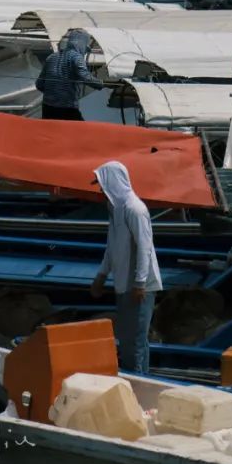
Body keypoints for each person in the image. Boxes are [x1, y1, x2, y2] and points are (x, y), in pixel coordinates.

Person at [91, 159, 162, 373]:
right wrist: (101, 276)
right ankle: (140, 377)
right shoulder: (115, 210)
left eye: (102, 185)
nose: (101, 191)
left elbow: (144, 247)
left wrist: (140, 282)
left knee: (136, 342)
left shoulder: (135, 209)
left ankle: (139, 381)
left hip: (139, 287)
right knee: (129, 340)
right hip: (124, 285)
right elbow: (111, 247)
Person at [35, 27, 100, 120]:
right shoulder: (76, 58)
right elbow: (86, 77)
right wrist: (103, 84)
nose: (85, 52)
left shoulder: (51, 57)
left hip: (47, 108)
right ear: (82, 44)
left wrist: (53, 93)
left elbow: (39, 85)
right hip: (66, 109)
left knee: (51, 133)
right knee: (80, 132)